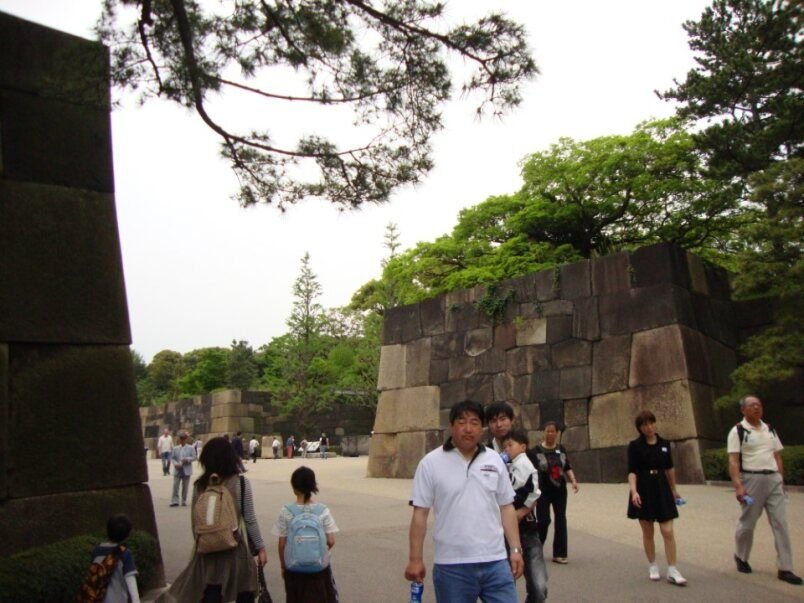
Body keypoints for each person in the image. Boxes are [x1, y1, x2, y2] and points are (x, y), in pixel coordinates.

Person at [405, 400, 524, 603]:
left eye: (475, 422)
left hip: (495, 562)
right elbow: (420, 514)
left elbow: (506, 507)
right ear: (452, 426)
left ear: (482, 428)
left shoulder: (494, 460)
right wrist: (415, 559)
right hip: (452, 566)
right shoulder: (430, 463)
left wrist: (515, 549)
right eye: (462, 422)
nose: (468, 428)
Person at [160, 436, 267, 603]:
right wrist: (260, 548)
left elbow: (195, 523)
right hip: (234, 551)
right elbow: (250, 519)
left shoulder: (199, 486)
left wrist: (205, 541)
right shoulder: (241, 484)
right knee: (242, 591)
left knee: (210, 593)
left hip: (206, 553)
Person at [727, 395, 801, 585]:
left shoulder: (770, 429)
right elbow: (733, 461)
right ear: (743, 410)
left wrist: (781, 479)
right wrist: (738, 486)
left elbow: (777, 456)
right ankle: (741, 556)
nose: (756, 408)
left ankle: (785, 568)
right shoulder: (738, 431)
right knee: (748, 522)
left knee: (781, 523)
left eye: (759, 405)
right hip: (752, 480)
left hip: (773, 480)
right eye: (752, 405)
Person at [627, 411, 686, 586]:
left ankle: (672, 569)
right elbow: (632, 471)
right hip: (643, 487)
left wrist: (674, 490)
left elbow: (669, 468)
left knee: (667, 531)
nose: (649, 427)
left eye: (651, 423)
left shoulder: (664, 444)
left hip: (662, 487)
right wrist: (633, 491)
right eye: (644, 425)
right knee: (648, 531)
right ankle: (653, 564)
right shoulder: (635, 446)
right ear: (640, 428)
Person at [272, 466, 340, 602]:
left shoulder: (286, 511)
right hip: (318, 568)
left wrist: (283, 566)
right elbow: (331, 541)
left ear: (294, 486)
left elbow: (281, 544)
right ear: (312, 486)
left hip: (293, 569)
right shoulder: (323, 511)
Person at [503, 429, 548, 603]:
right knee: (505, 585)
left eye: (510, 445)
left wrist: (521, 512)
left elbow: (518, 485)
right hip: (504, 530)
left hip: (526, 527)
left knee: (538, 586)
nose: (507, 449)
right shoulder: (508, 460)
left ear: (522, 447)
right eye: (505, 445)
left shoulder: (523, 463)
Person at [532, 421, 579, 564]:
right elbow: (532, 471)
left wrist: (573, 480)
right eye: (547, 431)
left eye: (553, 431)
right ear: (544, 432)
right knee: (544, 521)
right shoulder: (536, 451)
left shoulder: (561, 449)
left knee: (561, 519)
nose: (550, 434)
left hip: (559, 489)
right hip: (543, 490)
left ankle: (559, 553)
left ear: (557, 433)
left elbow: (567, 466)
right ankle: (535, 550)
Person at [89, 514, 140, 603]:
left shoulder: (96, 551)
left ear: (107, 531)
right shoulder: (125, 554)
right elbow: (131, 581)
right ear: (127, 535)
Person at [170, 431, 197, 507]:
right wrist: (175, 464)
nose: (182, 440)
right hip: (178, 469)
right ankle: (175, 500)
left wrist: (187, 459)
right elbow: (173, 458)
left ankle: (183, 500)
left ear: (186, 439)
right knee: (175, 486)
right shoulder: (175, 448)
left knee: (185, 487)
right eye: (181, 439)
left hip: (186, 469)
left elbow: (194, 457)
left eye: (183, 439)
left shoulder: (191, 448)